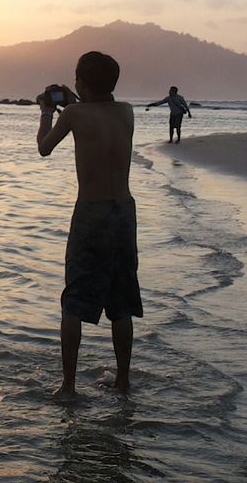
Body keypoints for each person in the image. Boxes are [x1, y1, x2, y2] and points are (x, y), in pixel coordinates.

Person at [36, 51, 141, 400]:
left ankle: (68, 386)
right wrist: (77, 97)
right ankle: (123, 381)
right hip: (124, 212)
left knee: (75, 300)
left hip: (91, 213)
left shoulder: (74, 114)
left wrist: (48, 111)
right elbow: (100, 107)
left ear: (81, 81)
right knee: (121, 301)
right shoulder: (126, 111)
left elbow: (44, 148)